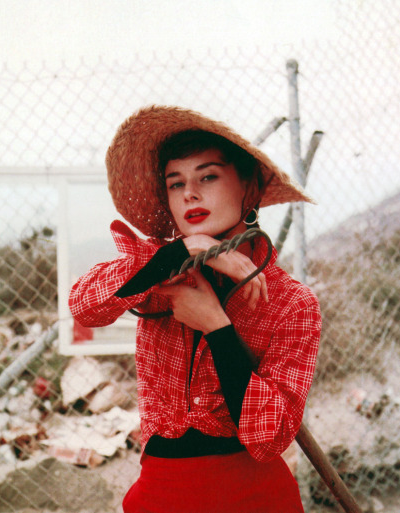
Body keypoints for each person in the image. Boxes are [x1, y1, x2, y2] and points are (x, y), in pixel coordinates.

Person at [69, 105, 322, 513]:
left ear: (249, 188)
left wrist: (216, 327)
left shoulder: (292, 302)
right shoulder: (156, 278)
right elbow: (84, 306)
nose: (190, 193)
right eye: (175, 183)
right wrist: (184, 251)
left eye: (208, 176)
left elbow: (270, 437)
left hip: (252, 498)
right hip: (159, 493)